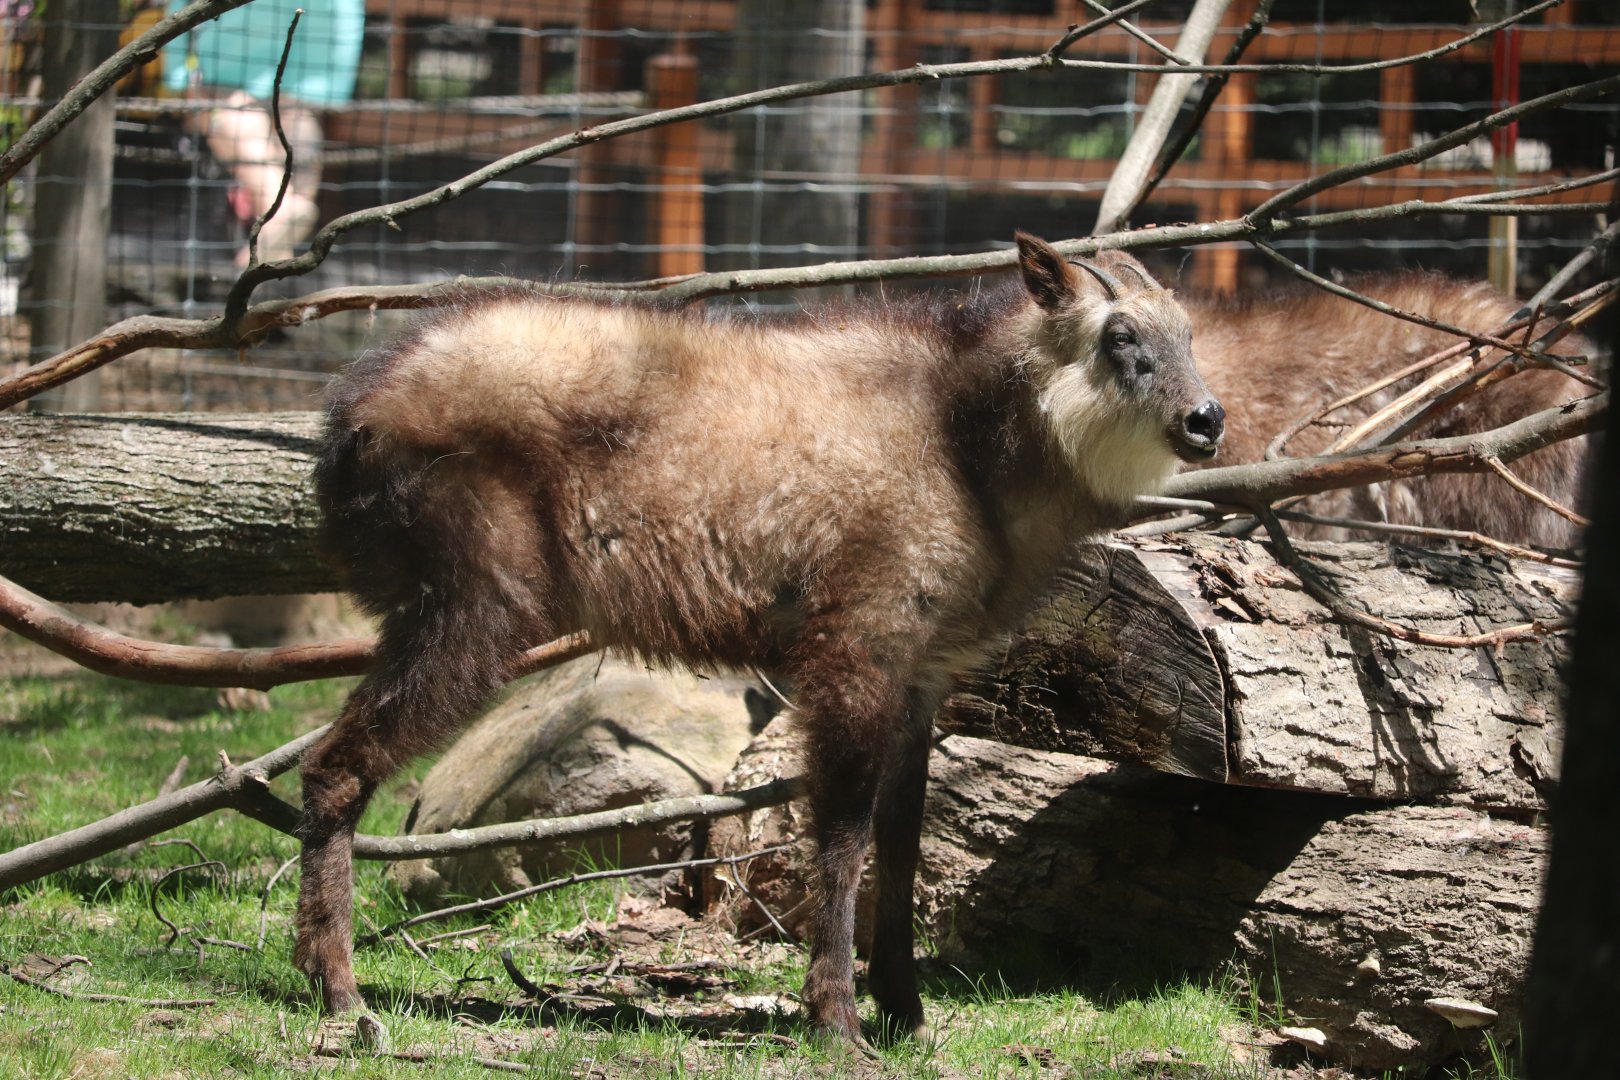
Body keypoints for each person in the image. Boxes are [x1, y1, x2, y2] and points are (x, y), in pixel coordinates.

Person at [162, 0, 364, 266]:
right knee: (297, 109)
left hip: (236, 25)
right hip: (320, 24)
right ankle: (279, 245)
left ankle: (279, 209)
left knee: (223, 105)